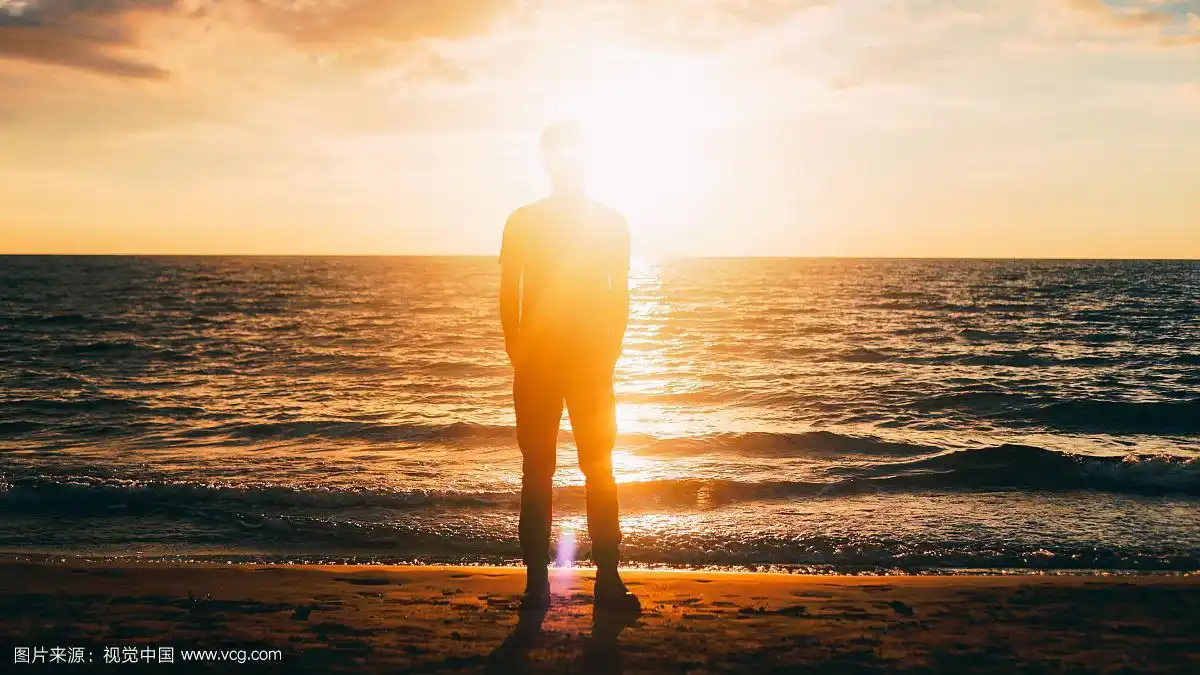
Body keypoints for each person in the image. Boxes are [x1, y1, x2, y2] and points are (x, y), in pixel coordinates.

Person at [498, 120, 640, 613]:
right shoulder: (598, 221)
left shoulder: (543, 220)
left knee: (555, 468)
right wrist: (604, 351)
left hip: (568, 359)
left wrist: (605, 351)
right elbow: (511, 296)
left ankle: (561, 581)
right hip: (569, 359)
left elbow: (617, 295)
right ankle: (588, 579)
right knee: (583, 467)